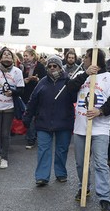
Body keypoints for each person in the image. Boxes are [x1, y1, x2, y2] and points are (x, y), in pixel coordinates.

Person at [68, 48, 110, 211]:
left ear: (95, 59)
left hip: (100, 129)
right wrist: (85, 74)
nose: (84, 59)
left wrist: (100, 111)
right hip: (80, 127)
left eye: (87, 57)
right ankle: (84, 188)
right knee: (80, 163)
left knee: (100, 163)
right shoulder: (81, 75)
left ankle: (105, 198)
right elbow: (69, 90)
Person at [23, 55, 75, 186]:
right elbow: (33, 100)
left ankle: (61, 173)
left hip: (64, 121)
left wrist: (73, 85)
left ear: (60, 67)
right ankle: (42, 176)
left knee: (62, 149)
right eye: (50, 66)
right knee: (43, 150)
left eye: (55, 66)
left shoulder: (67, 81)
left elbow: (75, 98)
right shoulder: (42, 82)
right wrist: (27, 116)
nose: (52, 68)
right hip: (43, 122)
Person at [22, 48, 46, 149]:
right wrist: (25, 80)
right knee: (28, 117)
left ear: (32, 56)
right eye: (24, 56)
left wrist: (37, 79)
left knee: (36, 117)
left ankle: (31, 138)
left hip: (38, 95)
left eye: (27, 55)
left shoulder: (40, 66)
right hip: (26, 95)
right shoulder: (22, 67)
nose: (25, 58)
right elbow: (19, 80)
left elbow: (45, 80)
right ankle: (31, 136)